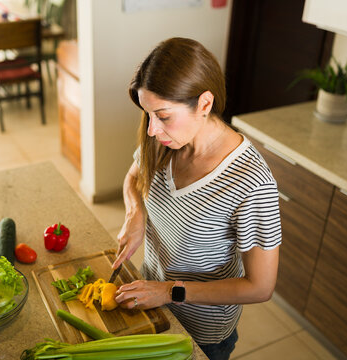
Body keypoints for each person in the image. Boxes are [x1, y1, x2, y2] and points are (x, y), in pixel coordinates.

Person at [111, 37, 282, 360]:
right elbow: (133, 177)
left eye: (162, 115)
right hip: (154, 306)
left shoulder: (251, 182)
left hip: (202, 333)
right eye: (148, 114)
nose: (151, 129)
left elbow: (260, 287)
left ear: (204, 104)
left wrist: (168, 291)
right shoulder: (166, 140)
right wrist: (136, 213)